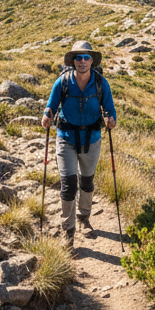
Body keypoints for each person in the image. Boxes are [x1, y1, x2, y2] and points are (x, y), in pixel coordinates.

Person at [41, 40, 117, 250]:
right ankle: (69, 231)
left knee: (87, 182)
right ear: (72, 61)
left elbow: (109, 108)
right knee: (68, 185)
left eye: (86, 57)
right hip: (66, 138)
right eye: (78, 57)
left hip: (92, 139)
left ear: (92, 60)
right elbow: (51, 106)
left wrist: (111, 119)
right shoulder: (63, 82)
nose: (82, 61)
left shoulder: (101, 83)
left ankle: (84, 217)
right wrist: (46, 115)